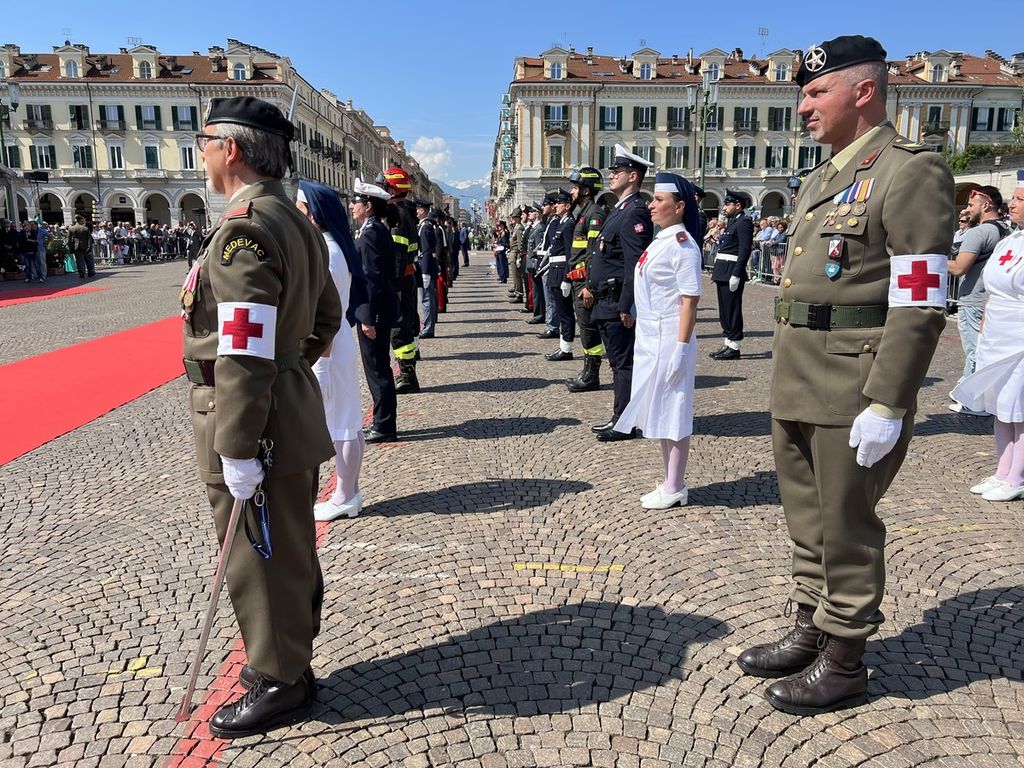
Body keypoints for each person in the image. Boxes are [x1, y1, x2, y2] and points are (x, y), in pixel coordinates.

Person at [738, 35, 953, 717]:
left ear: (862, 91)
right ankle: (811, 626)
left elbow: (920, 298)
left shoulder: (908, 171)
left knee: (846, 522)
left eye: (815, 92)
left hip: (854, 382)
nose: (803, 106)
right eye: (803, 93)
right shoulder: (822, 176)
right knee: (807, 517)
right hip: (799, 374)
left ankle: (845, 658)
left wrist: (889, 400)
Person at [181, 96, 342, 737]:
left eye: (205, 142)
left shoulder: (244, 229)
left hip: (255, 420)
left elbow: (243, 352)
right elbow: (325, 317)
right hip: (288, 409)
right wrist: (291, 365)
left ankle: (280, 680)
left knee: (261, 556)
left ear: (232, 149)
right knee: (289, 548)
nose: (202, 154)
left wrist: (239, 443)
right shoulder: (294, 219)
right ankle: (287, 660)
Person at [614, 172, 702, 504]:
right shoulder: (662, 239)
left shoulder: (683, 245)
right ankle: (669, 480)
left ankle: (675, 486)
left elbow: (690, 301)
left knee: (674, 409)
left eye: (659, 200)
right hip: (652, 336)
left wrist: (681, 349)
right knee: (660, 410)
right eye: (652, 199)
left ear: (679, 207)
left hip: (670, 336)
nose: (651, 205)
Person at [296, 180, 371, 520]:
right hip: (336, 341)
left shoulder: (324, 253)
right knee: (347, 421)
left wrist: (320, 364)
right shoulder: (333, 248)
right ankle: (349, 491)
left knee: (342, 425)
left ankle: (345, 495)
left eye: (299, 209)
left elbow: (319, 313)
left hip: (327, 347)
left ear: (313, 215)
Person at [952, 171, 1024, 501]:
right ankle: (1002, 471)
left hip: (1019, 336)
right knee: (1000, 406)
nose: (1013, 203)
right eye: (1014, 198)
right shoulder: (1009, 240)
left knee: (1018, 408)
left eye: (1020, 199)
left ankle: (1017, 476)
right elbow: (992, 287)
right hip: (997, 333)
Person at [589, 144, 654, 441]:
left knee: (623, 364)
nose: (612, 175)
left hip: (617, 301)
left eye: (618, 171)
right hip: (606, 299)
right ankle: (622, 416)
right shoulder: (620, 210)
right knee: (617, 363)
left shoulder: (634, 211)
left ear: (633, 176)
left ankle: (624, 421)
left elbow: (634, 264)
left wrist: (628, 305)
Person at [948, 186, 1006, 416]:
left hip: (974, 299)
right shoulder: (1006, 229)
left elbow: (959, 268)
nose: (967, 209)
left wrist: (932, 260)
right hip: (991, 299)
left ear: (986, 205)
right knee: (984, 349)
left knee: (974, 350)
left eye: (971, 205)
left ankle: (974, 401)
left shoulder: (979, 232)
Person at [350, 179, 401, 444]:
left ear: (368, 206)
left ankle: (384, 425)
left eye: (356, 202)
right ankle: (384, 422)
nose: (352, 206)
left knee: (377, 369)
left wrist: (368, 317)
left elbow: (372, 278)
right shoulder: (374, 229)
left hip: (376, 310)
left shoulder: (370, 233)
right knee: (378, 367)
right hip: (380, 307)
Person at [377, 166, 421, 394]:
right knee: (403, 327)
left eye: (383, 186)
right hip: (406, 278)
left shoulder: (397, 216)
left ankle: (407, 376)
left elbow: (397, 255)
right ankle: (407, 373)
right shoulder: (404, 212)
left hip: (400, 281)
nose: (380, 189)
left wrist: (393, 288)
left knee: (399, 330)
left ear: (393, 190)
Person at [565, 167, 608, 393]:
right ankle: (587, 371)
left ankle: (592, 376)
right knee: (584, 328)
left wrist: (589, 286)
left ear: (586, 190)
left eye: (575, 187)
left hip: (585, 284)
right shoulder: (583, 213)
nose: (572, 191)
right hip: (578, 282)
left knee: (590, 329)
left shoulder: (595, 215)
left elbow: (593, 254)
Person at [709, 189, 753, 359]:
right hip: (723, 271)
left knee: (732, 309)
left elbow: (744, 250)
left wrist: (736, 273)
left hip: (731, 271)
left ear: (738, 205)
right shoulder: (733, 221)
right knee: (725, 310)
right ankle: (728, 342)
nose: (724, 207)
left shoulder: (744, 222)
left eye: (728, 204)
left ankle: (735, 346)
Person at [544, 188, 577, 361]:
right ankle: (563, 346)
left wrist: (567, 278)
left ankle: (567, 348)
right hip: (555, 271)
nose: (555, 206)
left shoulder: (569, 224)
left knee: (565, 313)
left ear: (568, 205)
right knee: (561, 310)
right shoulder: (562, 223)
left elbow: (571, 254)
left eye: (559, 203)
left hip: (561, 272)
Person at [415, 199, 439, 337]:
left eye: (417, 209)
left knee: (426, 298)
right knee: (428, 297)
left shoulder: (425, 227)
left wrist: (425, 272)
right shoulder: (425, 225)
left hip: (426, 266)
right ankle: (429, 325)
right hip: (427, 265)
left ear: (422, 210)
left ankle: (428, 328)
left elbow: (426, 251)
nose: (416, 212)